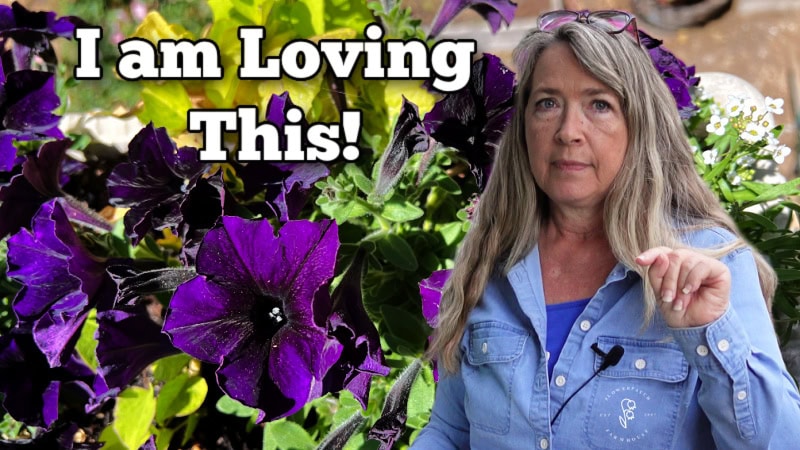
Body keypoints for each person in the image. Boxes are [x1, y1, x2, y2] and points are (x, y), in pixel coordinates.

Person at [411, 9, 800, 449]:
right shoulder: (491, 263)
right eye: (547, 103)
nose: (567, 131)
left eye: (599, 104)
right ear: (523, 130)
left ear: (640, 126)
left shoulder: (708, 265)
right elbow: (450, 431)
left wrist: (710, 331)